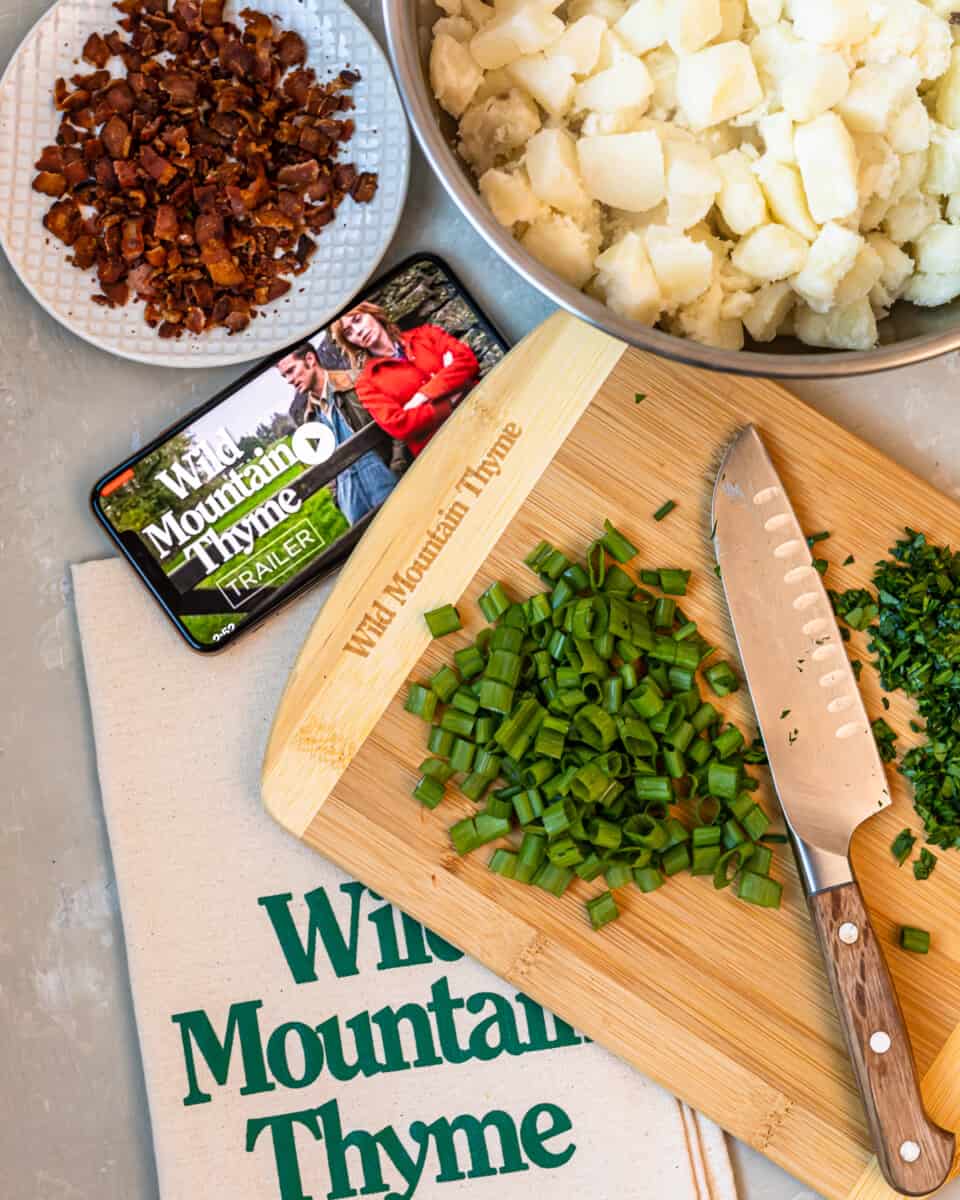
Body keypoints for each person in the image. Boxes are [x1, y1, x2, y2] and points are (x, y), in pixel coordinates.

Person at [330, 301, 479, 457]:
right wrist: (450, 399)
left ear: (372, 313)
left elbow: (467, 361)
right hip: (443, 451)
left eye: (358, 320)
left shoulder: (426, 335)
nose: (358, 331)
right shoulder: (366, 384)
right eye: (349, 332)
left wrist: (421, 397)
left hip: (480, 411)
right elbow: (400, 425)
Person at [278, 344, 396, 526]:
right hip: (352, 505)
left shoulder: (355, 382)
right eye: (284, 375)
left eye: (291, 370)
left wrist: (399, 468)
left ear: (310, 359)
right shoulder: (307, 419)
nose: (289, 380)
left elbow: (397, 425)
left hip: (388, 484)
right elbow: (319, 467)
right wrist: (338, 498)